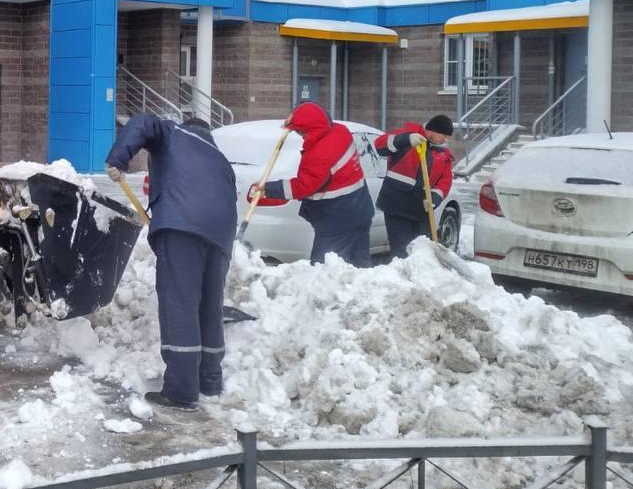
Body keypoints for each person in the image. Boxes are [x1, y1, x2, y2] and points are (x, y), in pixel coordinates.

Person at [105, 114, 237, 411]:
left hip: (182, 226)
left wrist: (119, 159)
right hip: (221, 235)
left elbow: (143, 122)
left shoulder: (175, 133)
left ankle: (181, 391)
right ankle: (210, 381)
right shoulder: (220, 159)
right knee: (209, 305)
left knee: (180, 303)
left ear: (187, 125)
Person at [248, 101, 374, 267]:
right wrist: (296, 119)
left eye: (301, 132)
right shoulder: (339, 131)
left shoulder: (320, 153)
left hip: (338, 221)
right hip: (360, 210)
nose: (301, 136)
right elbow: (317, 114)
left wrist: (268, 189)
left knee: (324, 271)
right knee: (360, 267)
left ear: (309, 129)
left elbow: (304, 186)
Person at [373, 115, 456, 258]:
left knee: (424, 251)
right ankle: (404, 278)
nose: (445, 141)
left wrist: (435, 198)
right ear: (432, 131)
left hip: (421, 211)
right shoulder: (408, 135)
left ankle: (423, 278)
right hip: (397, 206)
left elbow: (445, 181)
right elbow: (379, 146)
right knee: (402, 251)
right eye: (443, 136)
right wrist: (406, 139)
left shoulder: (443, 154)